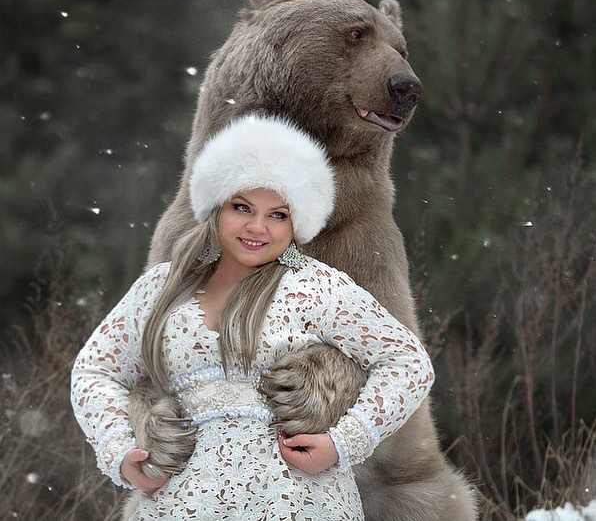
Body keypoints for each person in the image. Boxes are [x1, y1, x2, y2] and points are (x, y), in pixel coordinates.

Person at [71, 113, 435, 520]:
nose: (257, 227)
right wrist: (120, 452)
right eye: (242, 207)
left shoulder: (317, 285)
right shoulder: (162, 286)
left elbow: (408, 363)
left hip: (297, 504)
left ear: (297, 220)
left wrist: (342, 443)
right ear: (216, 206)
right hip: (181, 505)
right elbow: (94, 371)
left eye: (278, 214)